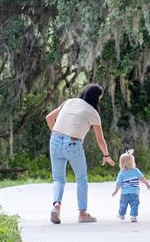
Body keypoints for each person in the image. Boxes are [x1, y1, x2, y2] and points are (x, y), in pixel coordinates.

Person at [45, 83, 115, 224]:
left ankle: (56, 206)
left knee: (58, 179)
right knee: (81, 179)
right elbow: (100, 140)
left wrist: (56, 134)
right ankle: (82, 213)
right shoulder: (93, 113)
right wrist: (106, 155)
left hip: (55, 141)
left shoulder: (69, 102)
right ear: (97, 98)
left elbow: (49, 118)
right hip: (73, 143)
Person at [112, 149, 150, 221]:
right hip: (134, 192)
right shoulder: (135, 170)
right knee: (135, 204)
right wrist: (147, 184)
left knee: (123, 204)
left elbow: (118, 183)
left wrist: (115, 191)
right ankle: (133, 216)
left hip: (124, 193)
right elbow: (142, 178)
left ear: (121, 163)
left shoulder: (122, 173)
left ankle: (121, 215)